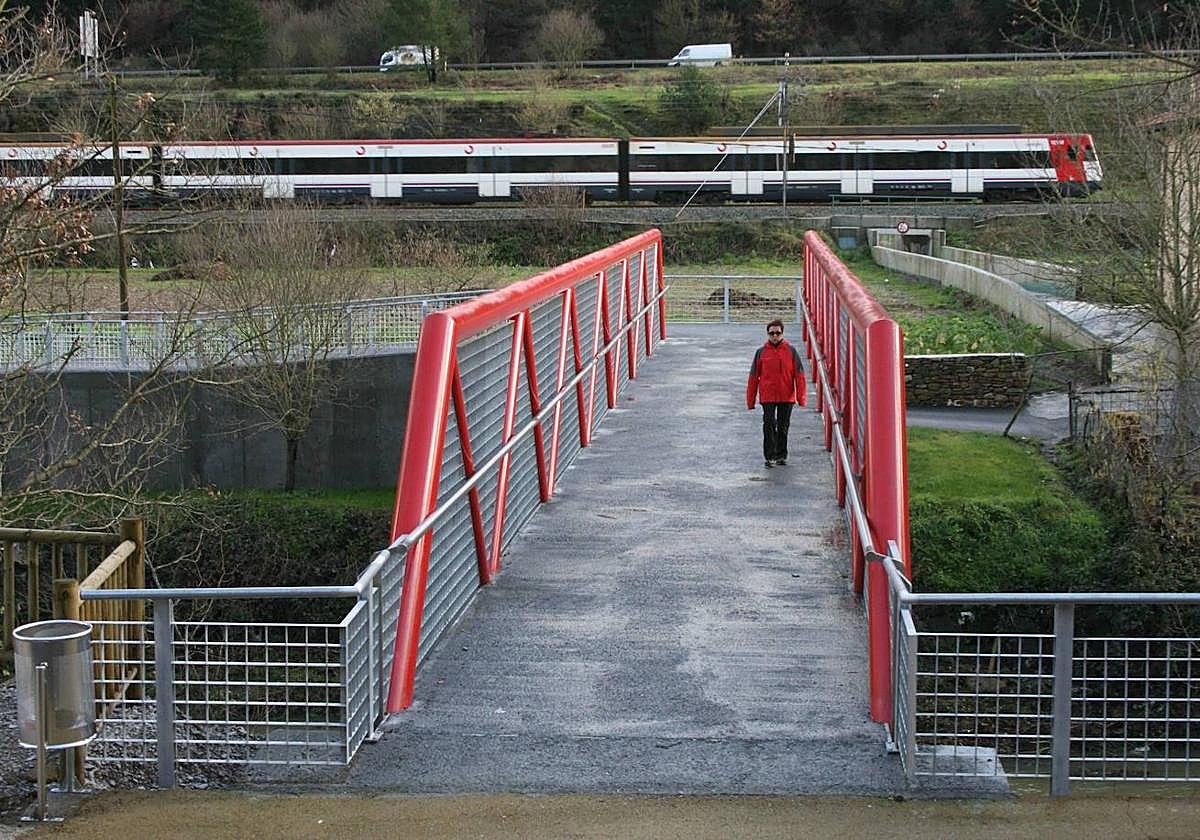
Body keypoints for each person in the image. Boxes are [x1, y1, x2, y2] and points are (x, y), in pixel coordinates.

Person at [746, 318, 807, 468]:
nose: (774, 336)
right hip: (768, 396)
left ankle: (781, 454)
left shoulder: (791, 351)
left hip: (787, 395)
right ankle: (770, 456)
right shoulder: (761, 352)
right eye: (771, 333)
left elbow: (799, 376)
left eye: (777, 333)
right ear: (767, 334)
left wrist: (801, 398)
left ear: (782, 333)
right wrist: (750, 400)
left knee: (783, 425)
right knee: (768, 424)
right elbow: (753, 377)